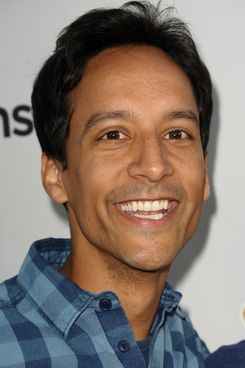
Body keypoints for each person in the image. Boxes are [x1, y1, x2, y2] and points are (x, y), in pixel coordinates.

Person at [0, 1, 212, 367]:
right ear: (55, 175)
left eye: (177, 133)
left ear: (205, 174)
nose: (154, 165)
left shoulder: (190, 350)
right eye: (114, 135)